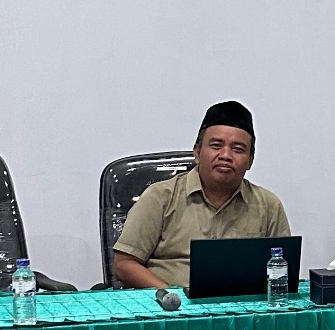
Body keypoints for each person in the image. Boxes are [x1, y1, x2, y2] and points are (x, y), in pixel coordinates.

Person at [111, 101, 290, 289]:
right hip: (171, 302)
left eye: (238, 149)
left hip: (243, 304)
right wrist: (172, 296)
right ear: (197, 153)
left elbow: (283, 269)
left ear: (250, 161)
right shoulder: (160, 197)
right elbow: (124, 265)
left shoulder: (268, 206)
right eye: (216, 145)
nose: (225, 155)